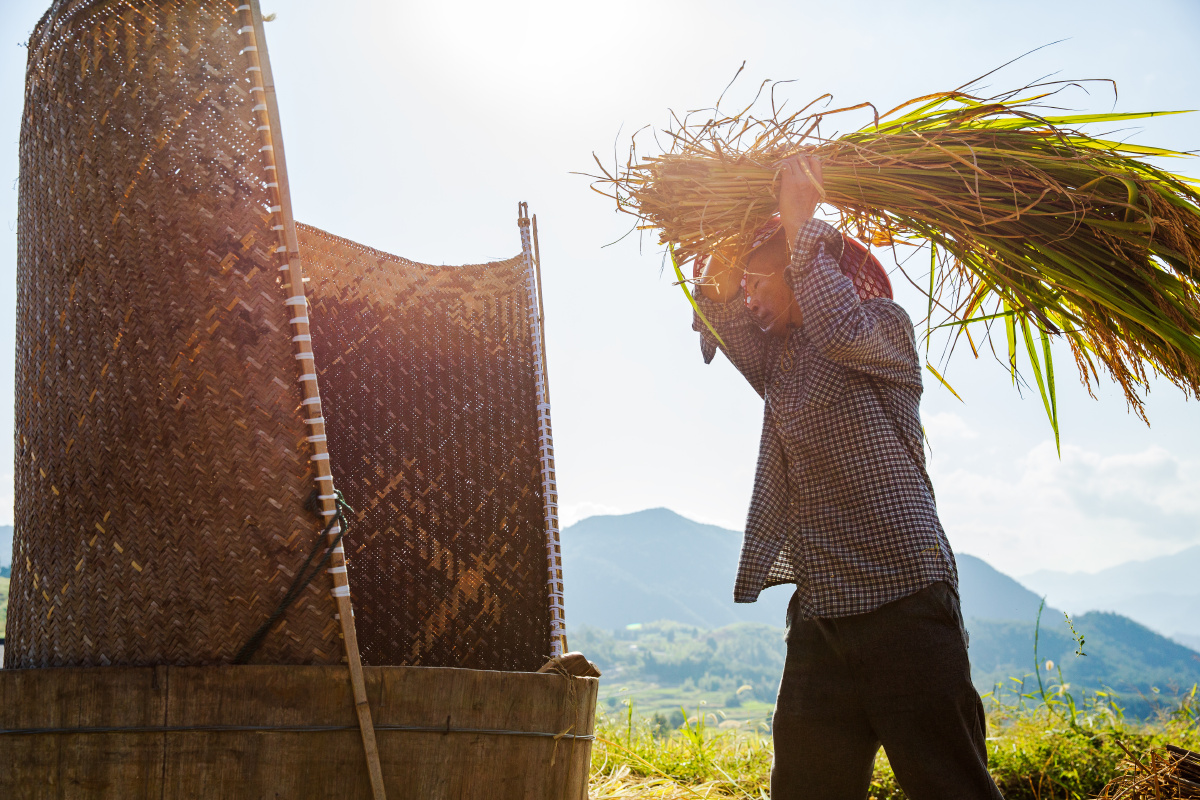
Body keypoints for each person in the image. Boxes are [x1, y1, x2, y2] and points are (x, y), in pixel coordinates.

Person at [691, 155, 1004, 800]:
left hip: (904, 606)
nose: (751, 295)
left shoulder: (883, 331)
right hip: (823, 616)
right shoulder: (781, 362)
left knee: (951, 786)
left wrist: (802, 223)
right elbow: (724, 316)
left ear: (811, 268)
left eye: (761, 279)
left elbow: (838, 326)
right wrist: (721, 259)